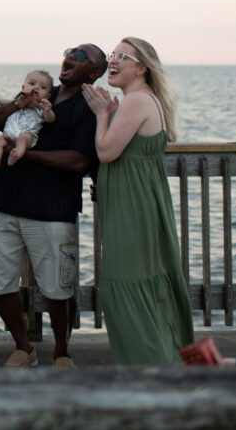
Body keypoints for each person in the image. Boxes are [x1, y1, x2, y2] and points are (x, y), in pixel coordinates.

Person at [0, 45, 107, 368]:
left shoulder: (90, 105)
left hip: (53, 208)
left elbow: (79, 160)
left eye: (81, 57)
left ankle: (61, 352)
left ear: (94, 73)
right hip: (4, 201)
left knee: (58, 289)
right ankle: (24, 347)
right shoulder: (36, 92)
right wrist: (17, 103)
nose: (70, 58)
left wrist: (25, 155)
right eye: (69, 52)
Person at [82, 38, 194, 364]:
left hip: (132, 210)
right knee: (143, 287)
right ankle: (160, 364)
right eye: (112, 54)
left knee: (125, 287)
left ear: (141, 67)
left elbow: (106, 151)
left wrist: (102, 114)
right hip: (139, 205)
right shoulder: (142, 99)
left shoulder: (136, 101)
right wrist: (114, 112)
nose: (113, 61)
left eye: (122, 57)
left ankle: (146, 371)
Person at [0, 70, 56, 168]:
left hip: (28, 134)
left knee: (22, 139)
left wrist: (48, 110)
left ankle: (16, 155)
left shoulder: (41, 107)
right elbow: (0, 101)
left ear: (47, 96)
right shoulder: (17, 102)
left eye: (43, 87)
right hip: (9, 133)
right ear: (23, 88)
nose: (36, 87)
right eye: (32, 83)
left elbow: (50, 119)